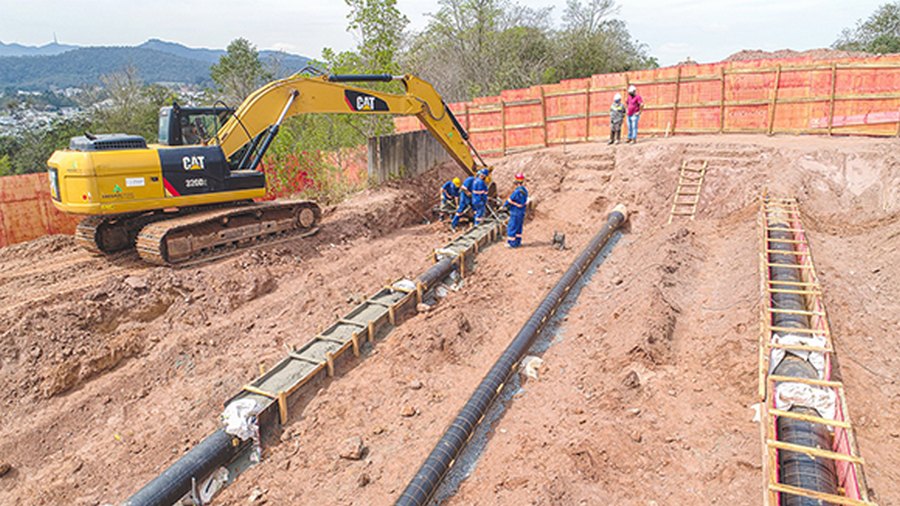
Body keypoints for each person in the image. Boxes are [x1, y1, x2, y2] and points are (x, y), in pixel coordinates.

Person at [503, 172, 528, 248]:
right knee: (518, 227)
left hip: (515, 211)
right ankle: (517, 242)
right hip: (521, 212)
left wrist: (504, 206)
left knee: (512, 226)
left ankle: (511, 243)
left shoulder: (517, 191)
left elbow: (510, 200)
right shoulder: (525, 190)